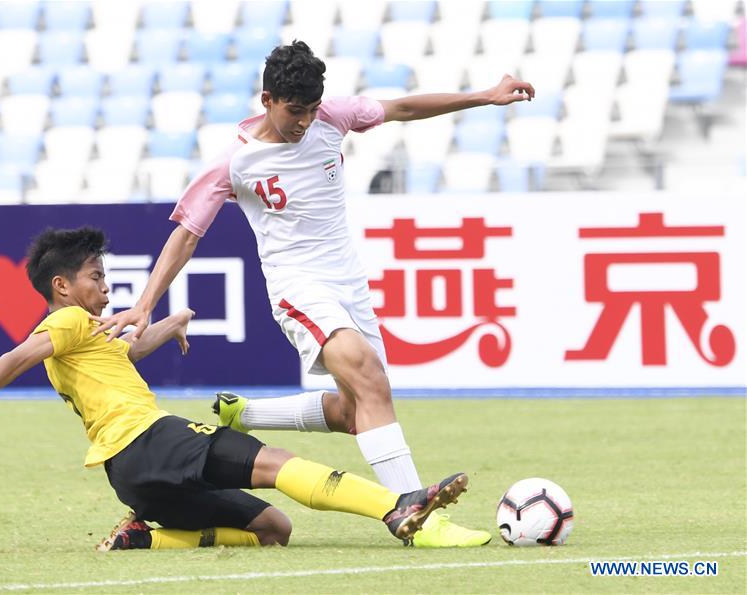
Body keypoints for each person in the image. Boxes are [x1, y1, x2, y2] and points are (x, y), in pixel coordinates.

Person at [92, 41, 533, 547]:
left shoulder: (332, 117)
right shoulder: (235, 163)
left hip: (350, 285)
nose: (303, 121)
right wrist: (146, 304)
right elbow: (187, 233)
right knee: (365, 373)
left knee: (358, 407)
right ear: (267, 100)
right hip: (296, 287)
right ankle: (418, 517)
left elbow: (404, 108)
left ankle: (245, 413)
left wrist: (486, 96)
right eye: (293, 111)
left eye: (310, 110)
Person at [0, 226, 477, 551]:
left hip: (130, 475)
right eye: (95, 275)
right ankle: (396, 506)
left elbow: (130, 351)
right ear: (62, 285)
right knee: (274, 462)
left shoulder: (90, 335)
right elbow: (19, 354)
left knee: (273, 530)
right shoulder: (65, 321)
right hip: (148, 438)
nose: (105, 282)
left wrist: (173, 322)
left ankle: (145, 539)